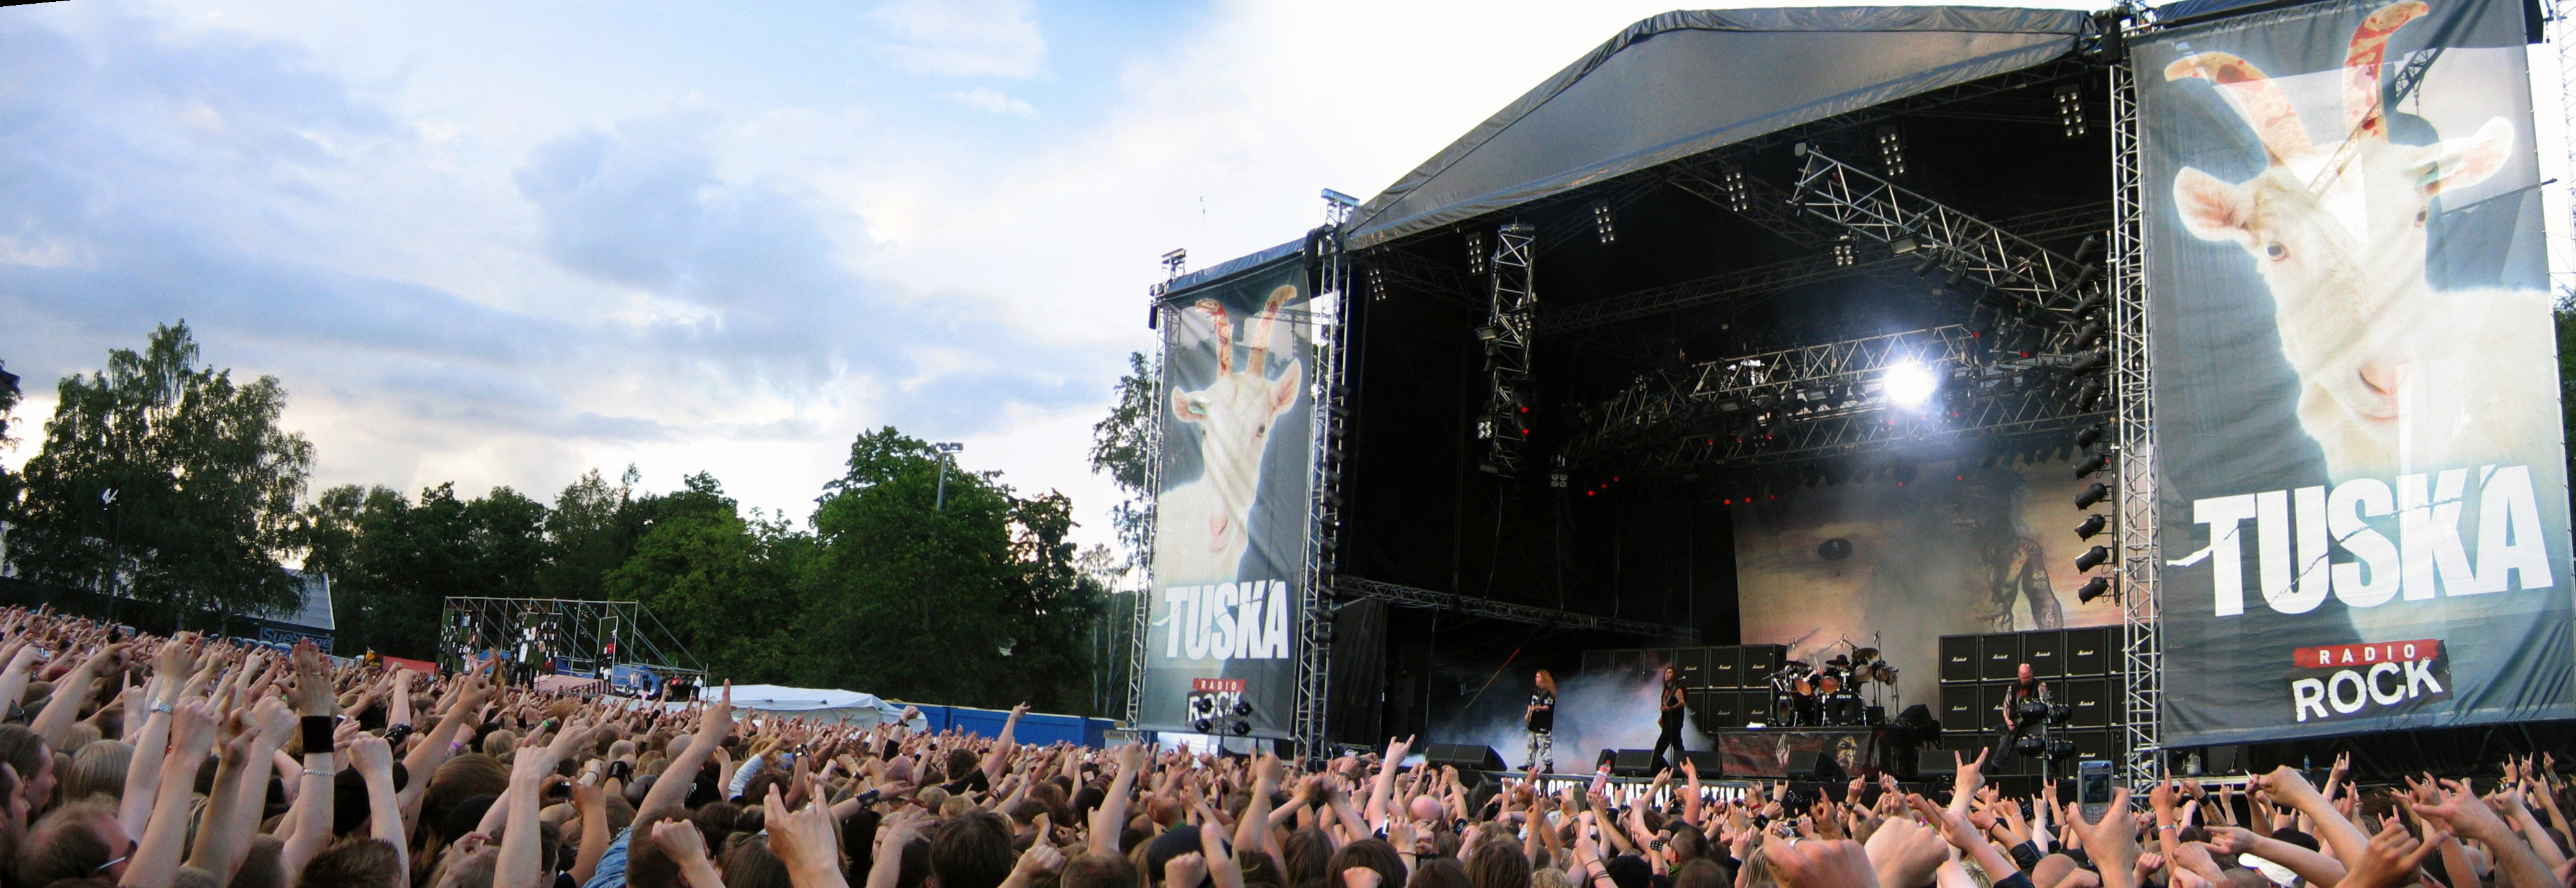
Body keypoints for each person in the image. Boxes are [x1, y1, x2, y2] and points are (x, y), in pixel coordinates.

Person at [1994, 662, 2048, 771]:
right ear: (2019, 675)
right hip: (2018, 722)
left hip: (2035, 722)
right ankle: (1994, 773)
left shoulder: (2040, 685)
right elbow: (2006, 706)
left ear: (2032, 674)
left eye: (2029, 677)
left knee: (2045, 744)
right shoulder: (2013, 687)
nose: (2027, 680)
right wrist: (2008, 720)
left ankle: (2052, 776)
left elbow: (2046, 703)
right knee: (2003, 746)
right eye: (2024, 678)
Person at [1650, 665, 1687, 770]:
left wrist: (1670, 709)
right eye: (1666, 673)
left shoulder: (1677, 689)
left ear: (1674, 676)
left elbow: (1681, 703)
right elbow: (1665, 705)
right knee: (1677, 745)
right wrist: (1663, 717)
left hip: (1674, 722)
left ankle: (1654, 766)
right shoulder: (1667, 690)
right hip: (1668, 721)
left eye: (1670, 673)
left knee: (1661, 745)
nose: (1667, 675)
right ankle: (1683, 767)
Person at [1523, 670, 1557, 773]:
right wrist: (1528, 714)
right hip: (1534, 723)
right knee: (1531, 744)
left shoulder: (1549, 692)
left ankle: (1548, 766)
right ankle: (1529, 764)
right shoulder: (1535, 691)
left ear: (1544, 679)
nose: (1536, 679)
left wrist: (1539, 708)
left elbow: (1548, 707)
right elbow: (1530, 704)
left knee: (1544, 745)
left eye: (1538, 677)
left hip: (1543, 723)